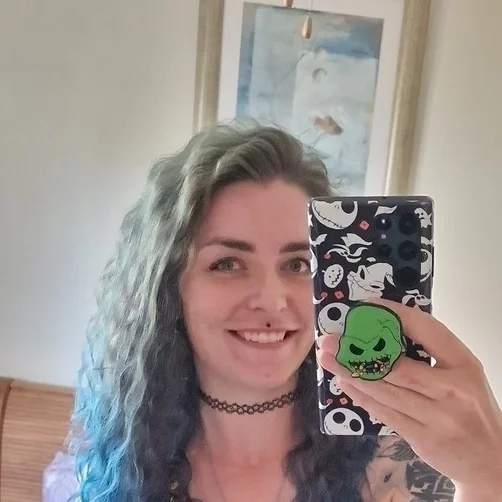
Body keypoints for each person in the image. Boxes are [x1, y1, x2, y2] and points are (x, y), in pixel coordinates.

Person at [70, 120, 502, 502]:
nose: (272, 300)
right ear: (169, 287)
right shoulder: (127, 462)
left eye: (298, 264)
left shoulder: (402, 463)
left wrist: (487, 480)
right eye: (227, 263)